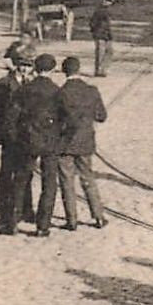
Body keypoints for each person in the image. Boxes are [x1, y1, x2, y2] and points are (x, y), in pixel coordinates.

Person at [54, 56, 107, 230]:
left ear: (64, 72)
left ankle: (71, 220)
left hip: (64, 143)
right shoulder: (92, 90)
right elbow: (101, 116)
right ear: (79, 70)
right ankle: (98, 216)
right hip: (85, 142)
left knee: (66, 181)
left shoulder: (60, 93)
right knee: (88, 178)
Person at [19, 53, 63, 237]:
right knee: (49, 183)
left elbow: (14, 115)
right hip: (50, 142)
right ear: (53, 70)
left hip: (28, 139)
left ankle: (15, 219)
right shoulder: (57, 91)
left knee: (21, 179)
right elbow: (65, 118)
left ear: (35, 69)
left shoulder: (25, 89)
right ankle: (43, 225)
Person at [0, 54, 32, 235]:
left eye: (28, 66)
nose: (24, 69)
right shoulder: (3, 83)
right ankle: (3, 205)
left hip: (25, 136)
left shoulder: (29, 83)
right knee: (7, 171)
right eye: (22, 65)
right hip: (9, 134)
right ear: (16, 65)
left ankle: (25, 208)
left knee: (25, 173)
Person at [89, 0, 114, 77]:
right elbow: (92, 23)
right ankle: (100, 70)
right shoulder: (100, 11)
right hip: (101, 34)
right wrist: (95, 32)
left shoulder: (106, 11)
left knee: (108, 52)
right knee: (102, 52)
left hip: (106, 35)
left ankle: (103, 69)